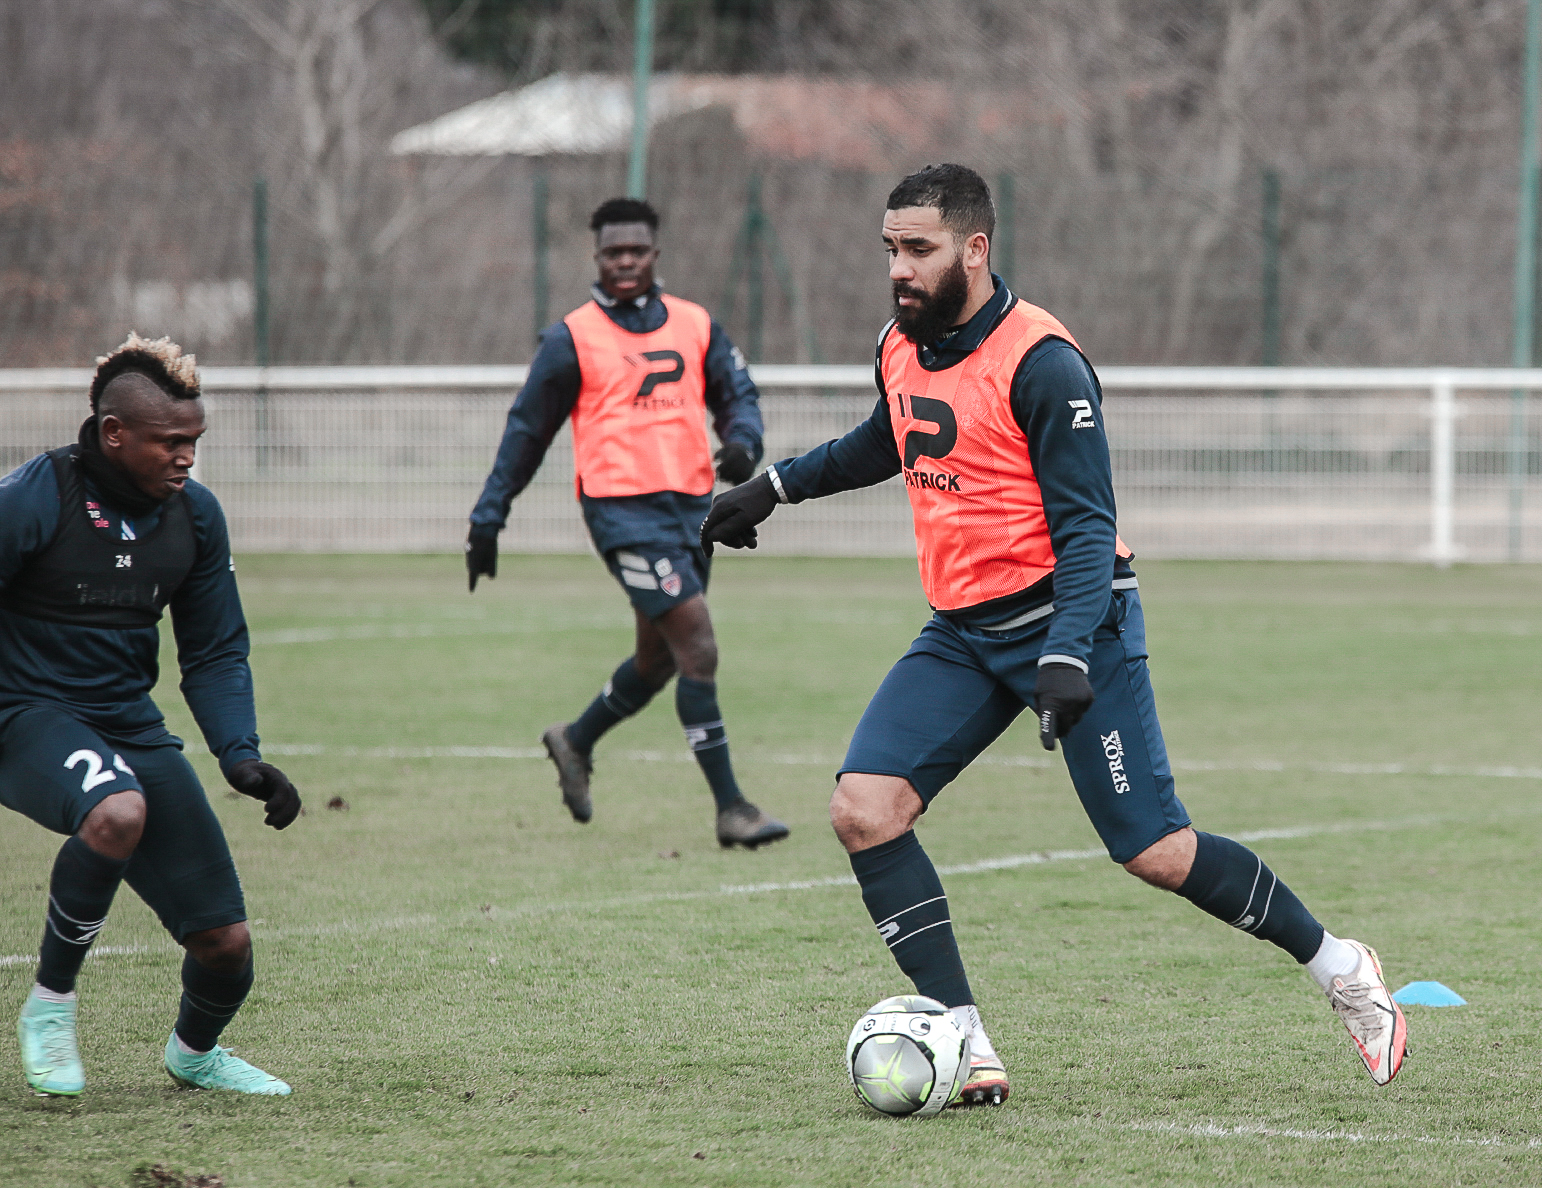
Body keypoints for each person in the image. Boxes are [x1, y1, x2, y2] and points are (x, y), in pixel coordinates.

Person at [702, 164, 1406, 1105]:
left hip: (1078, 623)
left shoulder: (1044, 363)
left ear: (975, 249)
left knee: (1157, 852)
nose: (900, 270)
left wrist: (1069, 652)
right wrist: (774, 488)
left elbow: (1086, 529)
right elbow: (890, 437)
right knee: (865, 810)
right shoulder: (899, 343)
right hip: (963, 631)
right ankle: (964, 1041)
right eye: (891, 251)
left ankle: (1339, 968)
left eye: (920, 250)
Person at [2, 334, 302, 1097]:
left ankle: (193, 1056)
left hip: (127, 724)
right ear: (114, 434)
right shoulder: (36, 499)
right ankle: (49, 1006)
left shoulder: (195, 518)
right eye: (171, 442)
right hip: (23, 714)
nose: (186, 458)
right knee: (116, 810)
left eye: (194, 442)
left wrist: (241, 755)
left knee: (225, 944)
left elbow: (214, 651)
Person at [468, 197, 788, 850]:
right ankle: (732, 809)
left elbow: (738, 396)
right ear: (596, 257)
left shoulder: (697, 325)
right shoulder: (572, 338)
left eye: (635, 251)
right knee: (697, 644)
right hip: (621, 515)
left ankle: (575, 740)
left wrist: (743, 444)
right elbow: (527, 431)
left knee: (659, 659)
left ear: (655, 255)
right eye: (613, 252)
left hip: (694, 512)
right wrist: (489, 514)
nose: (624, 263)